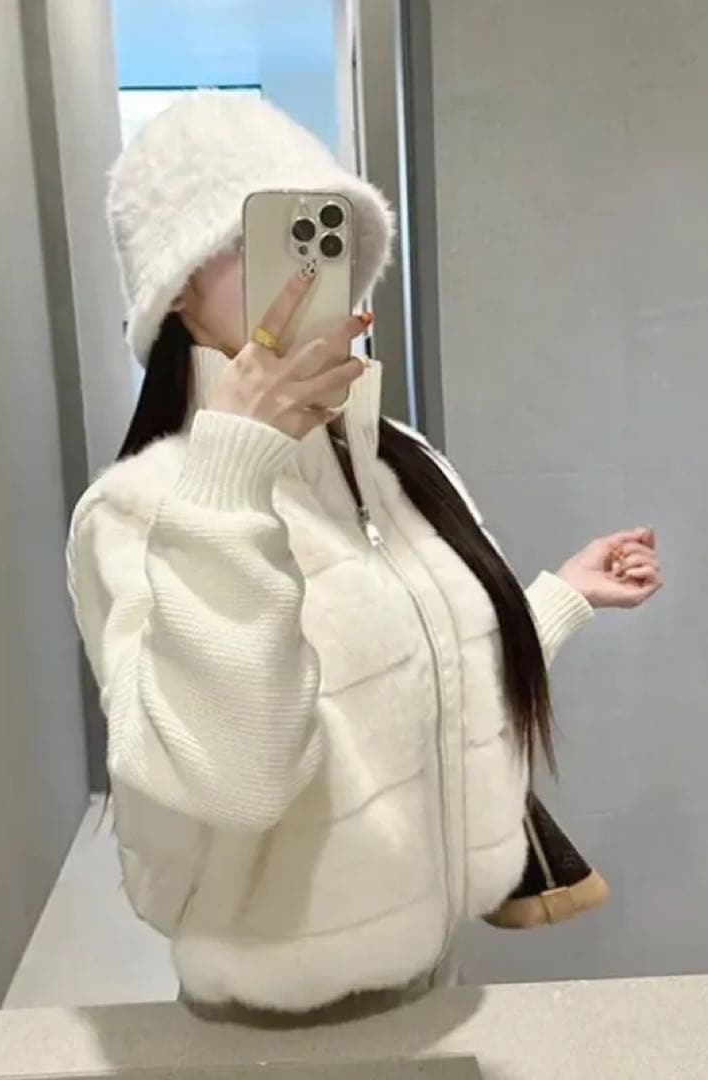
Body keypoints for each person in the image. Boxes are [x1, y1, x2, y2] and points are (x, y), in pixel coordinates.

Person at [67, 92, 662, 1022]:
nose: (313, 267)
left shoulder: (403, 465)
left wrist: (557, 599)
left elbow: (427, 686)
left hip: (434, 981)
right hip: (276, 1016)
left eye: (331, 230)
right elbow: (235, 779)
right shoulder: (138, 512)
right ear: (175, 289)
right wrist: (233, 470)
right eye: (270, 236)